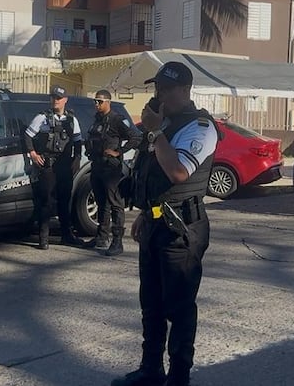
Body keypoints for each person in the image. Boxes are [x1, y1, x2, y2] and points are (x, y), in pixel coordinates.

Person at [111, 62, 219, 386]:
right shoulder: (165, 126)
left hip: (183, 230)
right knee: (151, 304)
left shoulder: (200, 127)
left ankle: (179, 376)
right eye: (157, 88)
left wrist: (156, 132)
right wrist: (145, 213)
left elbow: (178, 173)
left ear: (185, 90)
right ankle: (151, 370)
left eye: (167, 89)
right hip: (158, 225)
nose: (160, 95)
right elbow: (155, 180)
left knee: (179, 307)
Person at [23, 85, 86, 250]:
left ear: (65, 100)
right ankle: (43, 238)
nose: (55, 101)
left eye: (58, 98)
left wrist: (77, 158)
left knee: (65, 200)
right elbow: (28, 136)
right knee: (46, 201)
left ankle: (67, 236)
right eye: (53, 98)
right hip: (48, 164)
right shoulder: (42, 118)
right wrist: (33, 154)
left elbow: (78, 140)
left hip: (65, 165)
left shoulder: (72, 120)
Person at [84, 89, 141, 256]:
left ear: (108, 102)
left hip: (111, 168)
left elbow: (135, 137)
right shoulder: (97, 119)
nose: (96, 104)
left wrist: (120, 151)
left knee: (115, 204)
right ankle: (101, 237)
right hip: (97, 165)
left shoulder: (117, 120)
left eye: (99, 101)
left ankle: (117, 242)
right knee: (102, 203)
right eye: (95, 101)